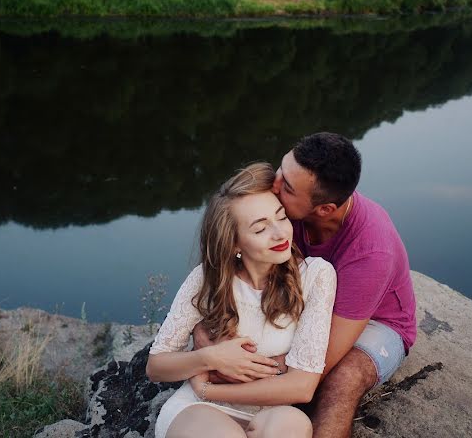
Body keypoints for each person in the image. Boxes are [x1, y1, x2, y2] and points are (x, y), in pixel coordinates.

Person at [146, 162, 338, 438]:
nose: (280, 233)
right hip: (201, 410)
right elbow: (156, 366)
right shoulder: (205, 278)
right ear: (234, 244)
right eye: (260, 229)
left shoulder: (316, 276)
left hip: (273, 410)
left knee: (292, 428)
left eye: (281, 217)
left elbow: (302, 386)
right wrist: (211, 356)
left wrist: (207, 387)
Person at [272, 132, 416, 438]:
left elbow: (319, 363)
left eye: (286, 186)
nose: (273, 185)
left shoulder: (372, 251)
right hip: (310, 304)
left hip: (376, 322)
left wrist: (256, 380)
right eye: (280, 170)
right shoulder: (282, 203)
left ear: (324, 209)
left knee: (342, 379)